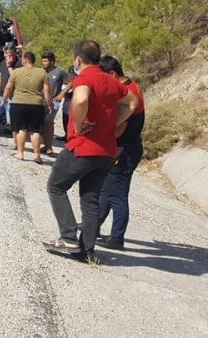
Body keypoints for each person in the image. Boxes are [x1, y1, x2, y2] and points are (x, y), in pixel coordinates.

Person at [42, 40, 138, 264]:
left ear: (77, 60)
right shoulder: (111, 80)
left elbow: (82, 98)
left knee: (55, 186)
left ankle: (68, 239)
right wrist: (113, 123)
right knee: (91, 199)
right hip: (107, 151)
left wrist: (78, 123)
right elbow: (131, 103)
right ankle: (87, 249)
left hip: (83, 146)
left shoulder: (84, 78)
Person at [98, 56, 145, 250]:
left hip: (125, 149)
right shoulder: (130, 87)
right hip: (124, 148)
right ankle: (92, 226)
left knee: (117, 195)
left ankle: (117, 239)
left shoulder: (127, 94)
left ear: (111, 74)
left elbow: (119, 127)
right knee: (105, 191)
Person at [3, 51, 51, 164]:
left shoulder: (16, 72)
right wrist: (48, 105)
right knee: (35, 131)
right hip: (36, 104)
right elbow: (47, 91)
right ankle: (37, 155)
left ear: (24, 60)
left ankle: (20, 153)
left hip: (19, 103)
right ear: (34, 61)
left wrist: (4, 100)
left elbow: (8, 88)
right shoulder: (42, 73)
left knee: (21, 129)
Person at [41, 52, 68, 157]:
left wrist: (62, 93)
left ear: (52, 62)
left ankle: (49, 148)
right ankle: (44, 145)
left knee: (48, 122)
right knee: (42, 123)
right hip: (40, 101)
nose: (43, 63)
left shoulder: (60, 72)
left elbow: (72, 82)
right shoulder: (41, 71)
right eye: (42, 61)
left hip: (53, 102)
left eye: (46, 61)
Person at [60, 66, 76, 142]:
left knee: (69, 120)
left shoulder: (75, 78)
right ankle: (66, 135)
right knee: (65, 119)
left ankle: (69, 136)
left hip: (71, 100)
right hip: (66, 101)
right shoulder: (67, 77)